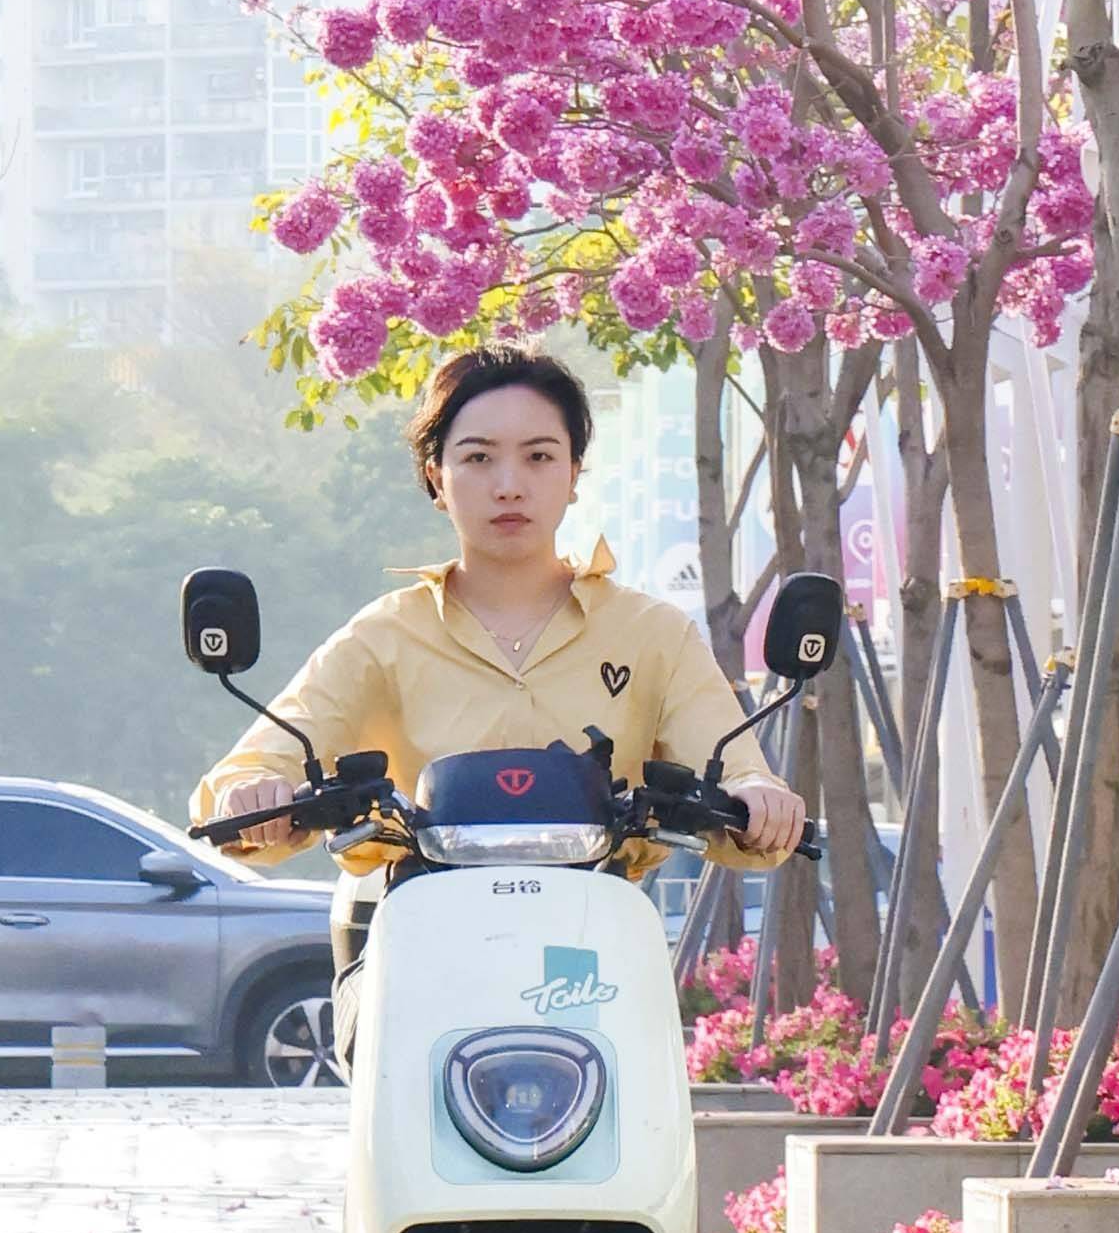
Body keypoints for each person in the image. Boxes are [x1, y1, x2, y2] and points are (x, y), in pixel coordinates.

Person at [192, 343, 809, 877]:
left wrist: (758, 797)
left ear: (573, 475)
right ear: (437, 478)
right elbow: (250, 770)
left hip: (599, 933)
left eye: (539, 456)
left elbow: (737, 773)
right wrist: (251, 794)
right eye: (479, 458)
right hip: (419, 927)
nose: (509, 485)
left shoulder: (653, 633)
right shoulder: (382, 636)